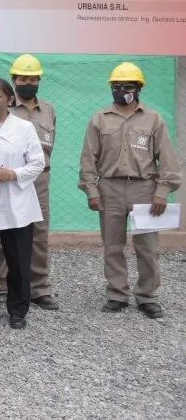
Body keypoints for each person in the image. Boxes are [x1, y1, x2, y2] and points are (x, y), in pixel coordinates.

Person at [78, 62, 182, 319]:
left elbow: (167, 158)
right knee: (112, 245)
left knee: (147, 247)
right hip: (109, 188)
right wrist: (91, 189)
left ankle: (147, 296)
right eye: (116, 85)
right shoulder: (99, 119)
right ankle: (117, 294)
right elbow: (88, 158)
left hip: (144, 189)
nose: (121, 89)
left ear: (138, 88)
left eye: (127, 85)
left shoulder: (154, 119)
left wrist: (162, 191)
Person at [0, 78, 45, 330]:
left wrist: (10, 174)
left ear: (10, 100)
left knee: (18, 261)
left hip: (17, 205)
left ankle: (17, 309)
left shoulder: (24, 128)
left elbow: (37, 163)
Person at [0, 54, 60, 310]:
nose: (28, 82)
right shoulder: (5, 109)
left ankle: (39, 287)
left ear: (39, 80)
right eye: (23, 78)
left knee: (39, 235)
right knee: (5, 231)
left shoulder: (49, 111)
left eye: (33, 78)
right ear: (14, 80)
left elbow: (48, 148)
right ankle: (2, 285)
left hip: (40, 180)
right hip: (10, 178)